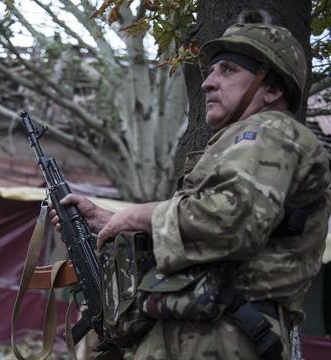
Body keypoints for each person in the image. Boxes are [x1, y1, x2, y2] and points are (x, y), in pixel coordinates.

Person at [52, 23, 331, 359]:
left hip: (226, 333)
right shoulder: (240, 144)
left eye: (228, 70)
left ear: (271, 89)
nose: (208, 82)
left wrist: (138, 215)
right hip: (201, 330)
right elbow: (202, 236)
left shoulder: (270, 131)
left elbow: (231, 222)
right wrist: (108, 220)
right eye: (211, 71)